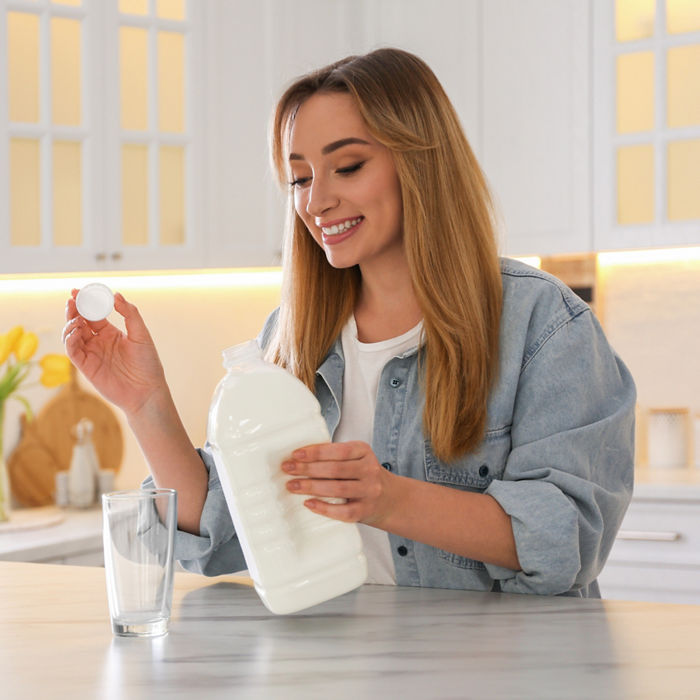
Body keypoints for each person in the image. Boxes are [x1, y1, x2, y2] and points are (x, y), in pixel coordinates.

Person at [63, 47, 635, 597]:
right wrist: (145, 403)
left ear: (421, 161)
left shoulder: (543, 326)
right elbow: (221, 532)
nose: (315, 202)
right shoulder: (290, 342)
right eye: (300, 178)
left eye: (348, 166)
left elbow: (570, 540)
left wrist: (389, 499)